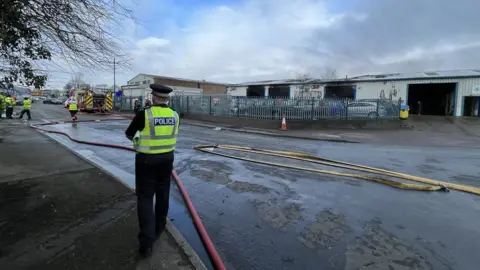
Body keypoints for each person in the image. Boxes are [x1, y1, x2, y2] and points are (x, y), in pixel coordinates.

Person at [125, 84, 179, 256]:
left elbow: (129, 134)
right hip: (167, 159)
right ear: (166, 98)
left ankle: (146, 242)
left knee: (146, 196)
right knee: (163, 192)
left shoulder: (145, 114)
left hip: (147, 160)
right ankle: (160, 226)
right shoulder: (175, 115)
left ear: (154, 97)